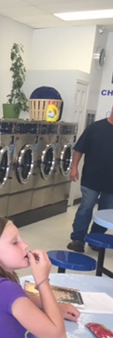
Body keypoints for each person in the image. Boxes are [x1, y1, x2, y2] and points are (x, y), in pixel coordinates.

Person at [67, 106, 113, 253]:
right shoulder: (95, 128)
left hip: (111, 183)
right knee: (85, 209)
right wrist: (74, 167)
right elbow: (79, 149)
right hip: (91, 178)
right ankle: (78, 240)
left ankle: (96, 239)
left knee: (105, 213)